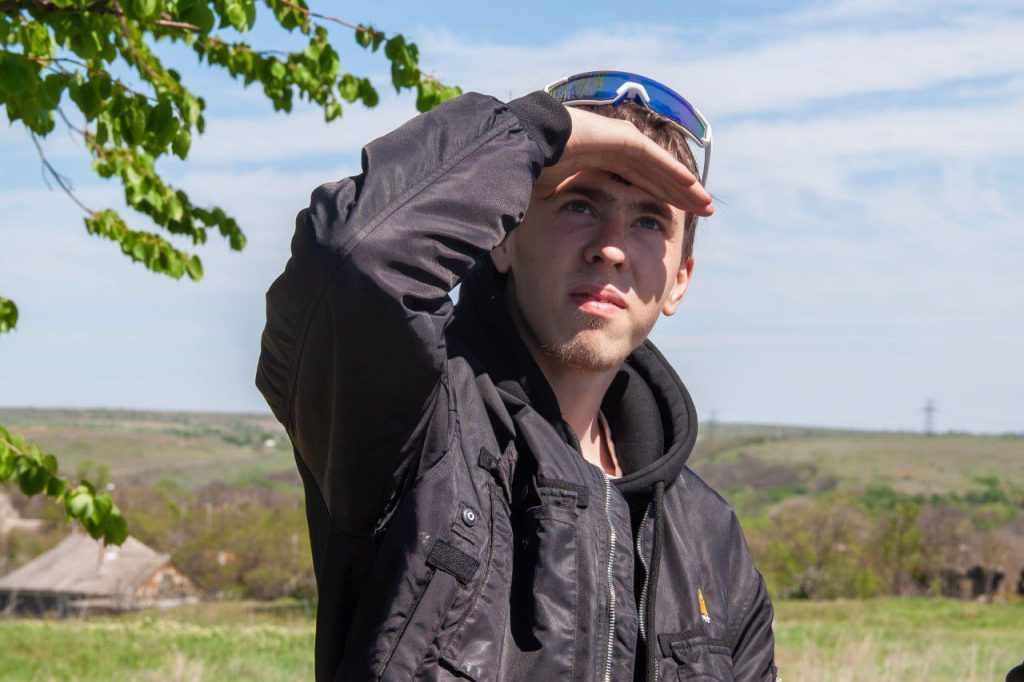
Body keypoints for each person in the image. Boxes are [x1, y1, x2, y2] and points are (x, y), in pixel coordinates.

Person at [257, 70, 777, 681]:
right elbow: (357, 258)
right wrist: (537, 134)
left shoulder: (709, 541)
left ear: (679, 280)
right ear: (502, 241)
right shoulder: (419, 430)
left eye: (648, 222)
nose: (611, 247)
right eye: (579, 204)